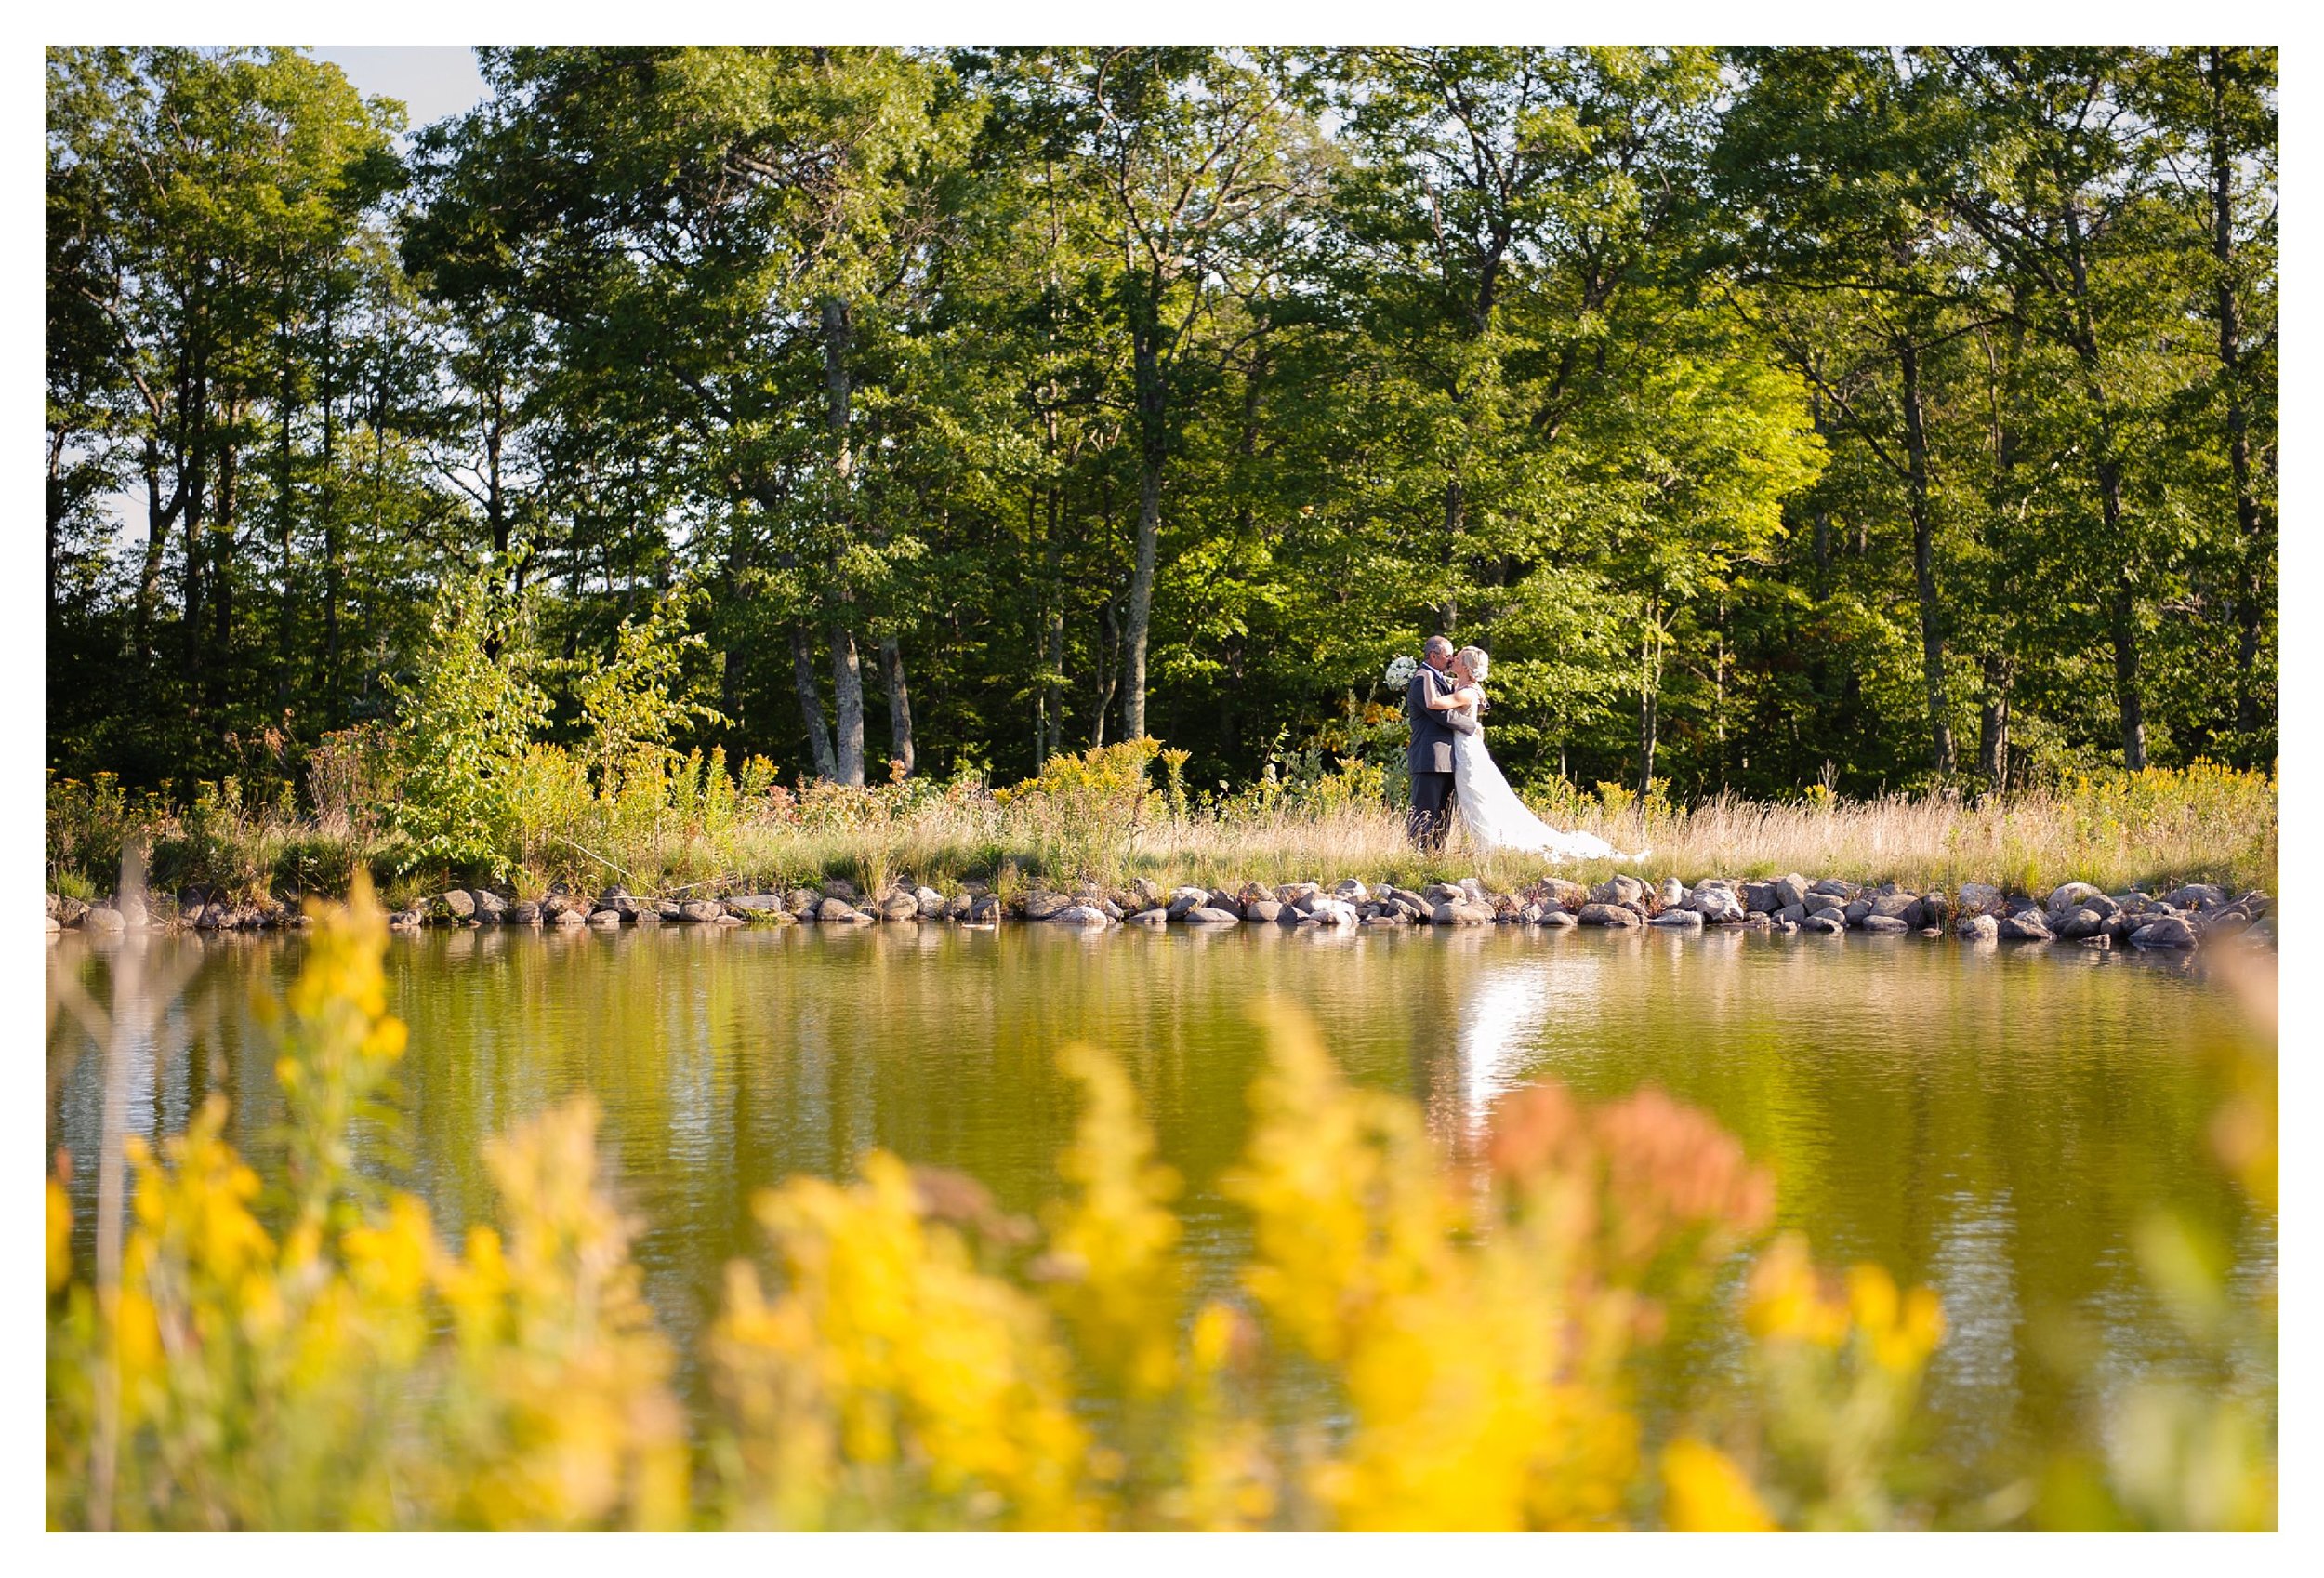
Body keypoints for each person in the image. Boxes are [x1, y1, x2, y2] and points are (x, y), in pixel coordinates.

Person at [1433, 644, 1648, 863]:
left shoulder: (1468, 691)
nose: (1453, 659)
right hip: (1462, 748)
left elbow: (1434, 703)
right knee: (1472, 800)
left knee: (1477, 799)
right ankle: (1486, 850)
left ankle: (1494, 849)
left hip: (1468, 752)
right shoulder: (1458, 684)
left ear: (1467, 668)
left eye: (1458, 657)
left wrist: (1420, 681)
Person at [1405, 635, 1472, 850]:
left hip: (1448, 758)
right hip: (1430, 756)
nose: (1451, 659)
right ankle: (1419, 857)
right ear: (1433, 656)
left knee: (1444, 813)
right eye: (1447, 655)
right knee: (1425, 811)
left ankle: (1436, 856)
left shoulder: (1441, 679)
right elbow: (1444, 716)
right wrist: (1472, 726)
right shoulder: (1420, 680)